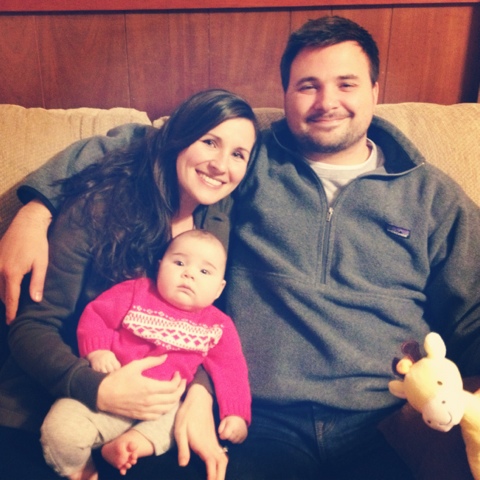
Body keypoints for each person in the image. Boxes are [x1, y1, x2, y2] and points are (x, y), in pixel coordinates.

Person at [2, 14, 480, 480]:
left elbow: (474, 314)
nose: (327, 101)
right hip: (262, 420)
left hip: (388, 421)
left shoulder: (432, 196)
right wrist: (36, 206)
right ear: (285, 95)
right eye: (308, 85)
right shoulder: (253, 161)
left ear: (375, 91)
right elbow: (142, 145)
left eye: (346, 84)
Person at [0, 88, 257, 480]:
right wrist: (96, 388)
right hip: (50, 398)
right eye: (209, 142)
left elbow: (213, 332)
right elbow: (31, 326)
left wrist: (202, 395)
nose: (221, 165)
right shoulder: (100, 208)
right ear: (179, 138)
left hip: (152, 416)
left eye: (238, 154)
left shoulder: (219, 220)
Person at [41, 229, 250, 480]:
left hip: (165, 406)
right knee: (60, 430)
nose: (189, 274)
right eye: (179, 263)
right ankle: (82, 470)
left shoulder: (219, 326)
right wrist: (97, 351)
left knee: (180, 424)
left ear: (219, 289)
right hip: (110, 392)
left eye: (204, 271)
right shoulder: (136, 292)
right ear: (160, 267)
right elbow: (97, 316)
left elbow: (231, 370)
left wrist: (236, 413)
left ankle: (129, 445)